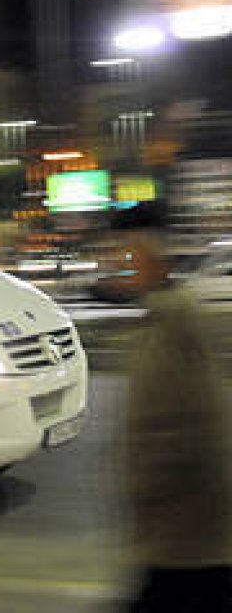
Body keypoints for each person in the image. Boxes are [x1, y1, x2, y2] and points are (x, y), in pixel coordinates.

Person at [113, 200, 232, 613]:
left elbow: (195, 423)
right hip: (178, 533)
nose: (121, 262)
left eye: (129, 252)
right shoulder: (160, 317)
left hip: (185, 533)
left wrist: (150, 489)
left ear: (154, 255)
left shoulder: (174, 321)